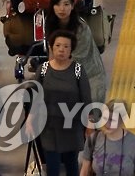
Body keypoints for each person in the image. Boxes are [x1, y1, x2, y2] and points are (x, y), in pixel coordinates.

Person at [34, 29, 92, 176]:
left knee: (71, 163)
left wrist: (90, 123)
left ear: (71, 49)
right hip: (48, 126)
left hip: (72, 126)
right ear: (51, 47)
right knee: (52, 165)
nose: (61, 49)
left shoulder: (78, 70)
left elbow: (86, 98)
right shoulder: (43, 70)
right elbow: (36, 98)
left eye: (66, 46)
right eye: (58, 45)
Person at [44, 0, 107, 104]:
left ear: (72, 6)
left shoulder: (81, 28)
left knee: (88, 116)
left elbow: (76, 58)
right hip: (67, 80)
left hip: (90, 78)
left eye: (66, 4)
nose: (62, 8)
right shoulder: (50, 24)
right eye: (57, 4)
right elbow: (52, 53)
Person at [78, 101, 135, 176]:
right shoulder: (93, 139)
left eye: (112, 120)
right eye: (104, 118)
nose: (107, 124)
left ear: (122, 121)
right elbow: (84, 170)